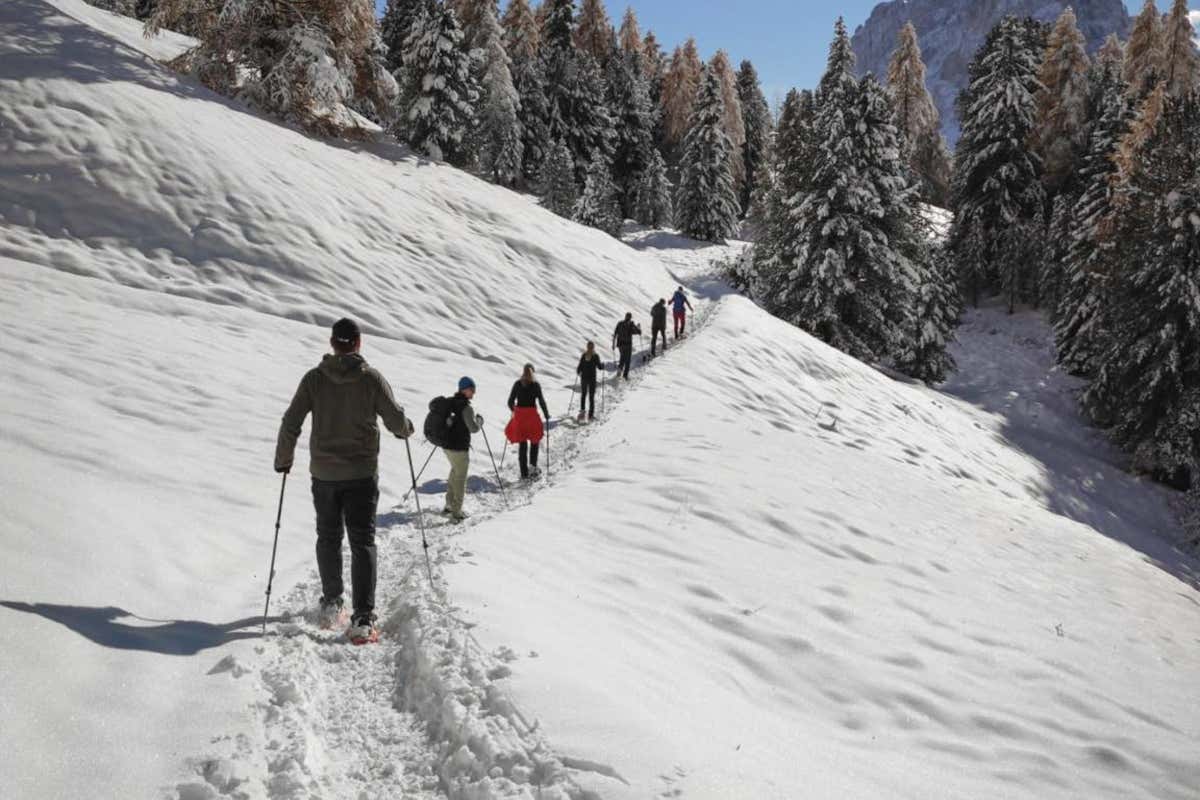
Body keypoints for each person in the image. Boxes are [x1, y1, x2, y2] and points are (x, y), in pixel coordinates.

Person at [275, 318, 414, 644]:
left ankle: (331, 602)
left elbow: (290, 421)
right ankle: (363, 618)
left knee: (328, 535)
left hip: (323, 473)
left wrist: (283, 460)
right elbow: (395, 420)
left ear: (333, 343)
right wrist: (405, 428)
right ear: (358, 343)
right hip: (361, 474)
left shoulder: (314, 380)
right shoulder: (370, 379)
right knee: (362, 540)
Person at [442, 377, 483, 522]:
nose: (473, 393)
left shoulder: (450, 403)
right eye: (472, 389)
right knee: (461, 478)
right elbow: (473, 428)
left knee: (454, 472)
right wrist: (479, 422)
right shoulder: (466, 408)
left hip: (447, 447)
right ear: (464, 389)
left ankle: (448, 504)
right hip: (459, 448)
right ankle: (456, 512)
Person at [505, 364, 550, 479]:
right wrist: (546, 414)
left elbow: (510, 401)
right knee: (534, 442)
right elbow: (541, 401)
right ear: (533, 373)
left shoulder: (517, 384)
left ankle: (524, 473)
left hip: (520, 418)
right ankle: (533, 469)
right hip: (531, 417)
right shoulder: (535, 385)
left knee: (522, 444)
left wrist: (514, 411)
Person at [576, 342, 603, 422]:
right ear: (593, 347)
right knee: (591, 397)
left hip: (584, 378)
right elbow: (599, 367)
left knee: (583, 395)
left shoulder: (584, 355)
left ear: (587, 347)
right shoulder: (595, 356)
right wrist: (603, 366)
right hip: (592, 379)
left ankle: (582, 414)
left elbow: (580, 366)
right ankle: (590, 416)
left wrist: (578, 372)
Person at [612, 312, 641, 380]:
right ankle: (625, 376)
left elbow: (615, 333)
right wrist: (638, 328)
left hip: (620, 345)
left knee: (622, 357)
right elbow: (636, 332)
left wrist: (613, 344)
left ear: (625, 316)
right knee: (627, 360)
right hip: (628, 345)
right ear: (630, 317)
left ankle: (619, 370)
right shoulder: (631, 324)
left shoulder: (620, 323)